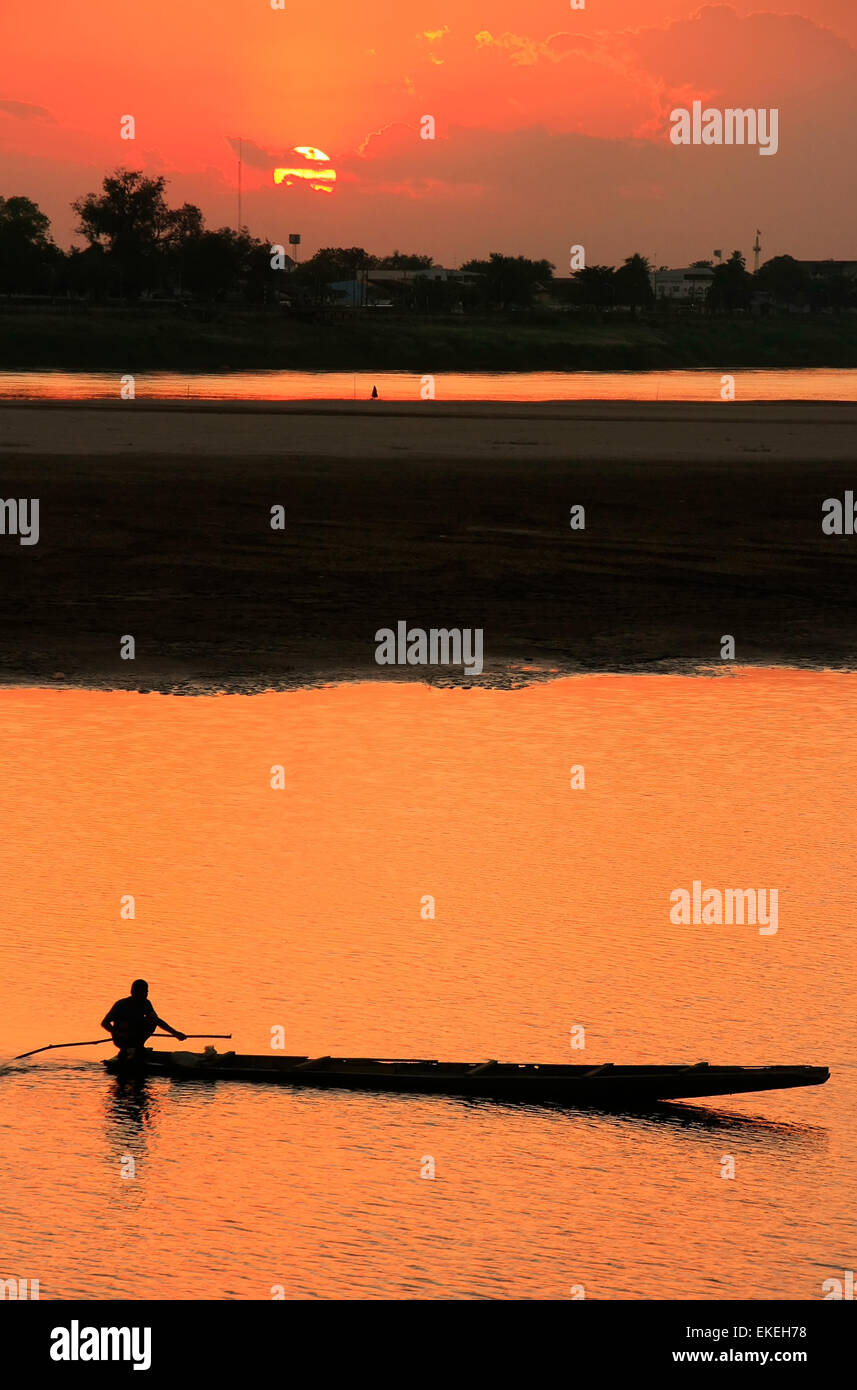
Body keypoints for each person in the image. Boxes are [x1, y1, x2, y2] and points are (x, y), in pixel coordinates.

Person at [101, 979, 187, 1058]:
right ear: (133, 992)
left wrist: (175, 1033)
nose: (145, 995)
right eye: (142, 992)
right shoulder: (121, 1004)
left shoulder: (146, 1003)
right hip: (122, 1038)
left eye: (146, 992)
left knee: (153, 1020)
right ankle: (125, 1050)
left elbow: (156, 1020)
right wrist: (117, 1033)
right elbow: (105, 1023)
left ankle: (138, 1046)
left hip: (136, 1034)